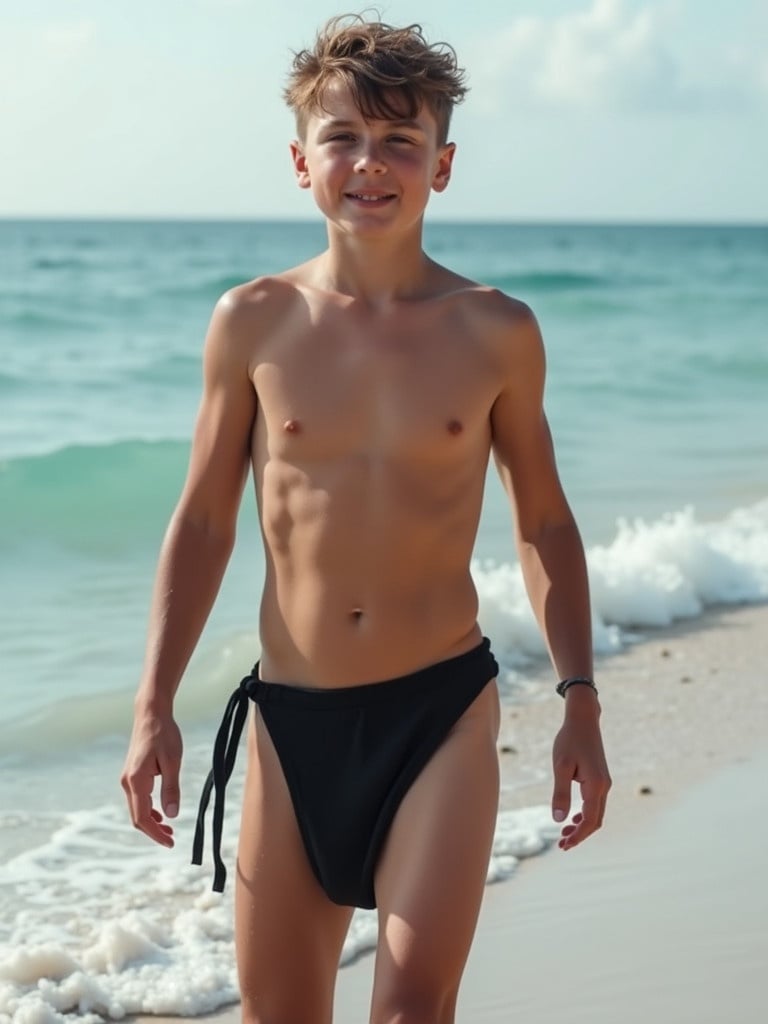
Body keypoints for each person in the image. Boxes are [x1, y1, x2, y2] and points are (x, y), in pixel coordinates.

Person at [121, 13, 611, 1024]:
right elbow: (205, 521)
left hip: (439, 711)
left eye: (401, 142)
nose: (371, 163)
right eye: (344, 137)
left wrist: (581, 701)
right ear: (301, 161)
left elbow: (546, 525)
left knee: (412, 1009)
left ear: (444, 165)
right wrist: (152, 703)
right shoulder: (251, 321)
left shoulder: (497, 331)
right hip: (291, 721)